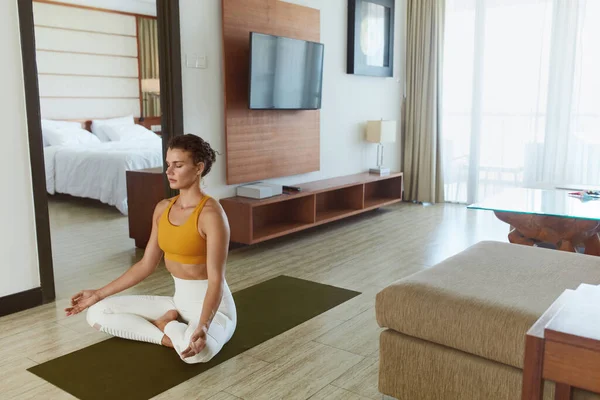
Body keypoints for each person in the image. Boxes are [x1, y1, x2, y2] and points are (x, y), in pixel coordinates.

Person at [65, 134, 236, 364]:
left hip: (215, 310)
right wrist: (97, 294)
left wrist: (204, 325)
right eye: (168, 165)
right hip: (178, 302)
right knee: (96, 312)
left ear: (198, 168)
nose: (169, 171)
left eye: (178, 165)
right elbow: (146, 265)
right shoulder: (163, 208)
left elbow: (216, 279)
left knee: (197, 355)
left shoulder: (211, 214)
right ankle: (169, 330)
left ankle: (170, 326)